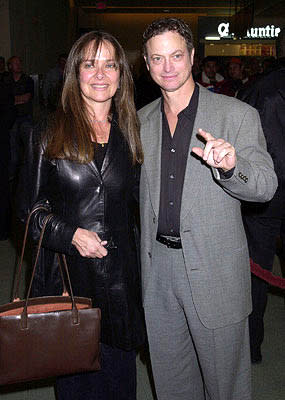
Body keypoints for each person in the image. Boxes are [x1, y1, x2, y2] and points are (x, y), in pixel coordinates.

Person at [138, 17, 277, 400]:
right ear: (147, 66)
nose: (168, 67)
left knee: (226, 389)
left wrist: (233, 168)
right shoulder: (140, 121)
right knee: (170, 384)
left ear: (193, 56)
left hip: (215, 272)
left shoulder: (236, 114)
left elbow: (266, 186)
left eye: (176, 55)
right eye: (157, 58)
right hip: (158, 272)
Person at [18, 31, 145, 400]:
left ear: (121, 74)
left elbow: (140, 204)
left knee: (121, 383)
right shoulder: (47, 130)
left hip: (121, 281)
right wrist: (70, 234)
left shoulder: (131, 132)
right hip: (68, 280)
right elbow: (29, 212)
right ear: (75, 72)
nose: (100, 73)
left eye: (110, 64)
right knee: (76, 385)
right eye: (90, 64)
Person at [241, 28, 285, 364]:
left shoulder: (260, 88)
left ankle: (252, 346)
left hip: (266, 196)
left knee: (256, 271)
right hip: (268, 193)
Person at [7, 55, 34, 179]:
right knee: (13, 149)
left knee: (29, 146)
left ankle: (30, 175)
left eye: (19, 63)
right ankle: (13, 175)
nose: (19, 65)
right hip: (11, 119)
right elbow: (4, 100)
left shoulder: (27, 80)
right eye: (15, 63)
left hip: (25, 117)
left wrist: (12, 100)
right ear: (10, 66)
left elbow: (26, 98)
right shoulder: (6, 81)